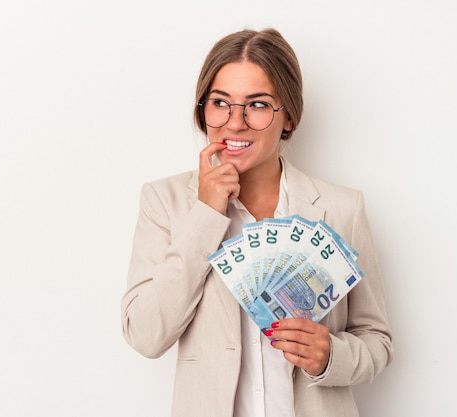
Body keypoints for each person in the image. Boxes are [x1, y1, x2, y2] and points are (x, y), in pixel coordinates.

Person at [120, 27, 393, 417]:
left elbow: (377, 341)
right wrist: (207, 216)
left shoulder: (341, 208)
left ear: (289, 116)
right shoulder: (165, 201)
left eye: (258, 105)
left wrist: (330, 355)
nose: (235, 123)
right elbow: (145, 336)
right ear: (203, 111)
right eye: (220, 102)